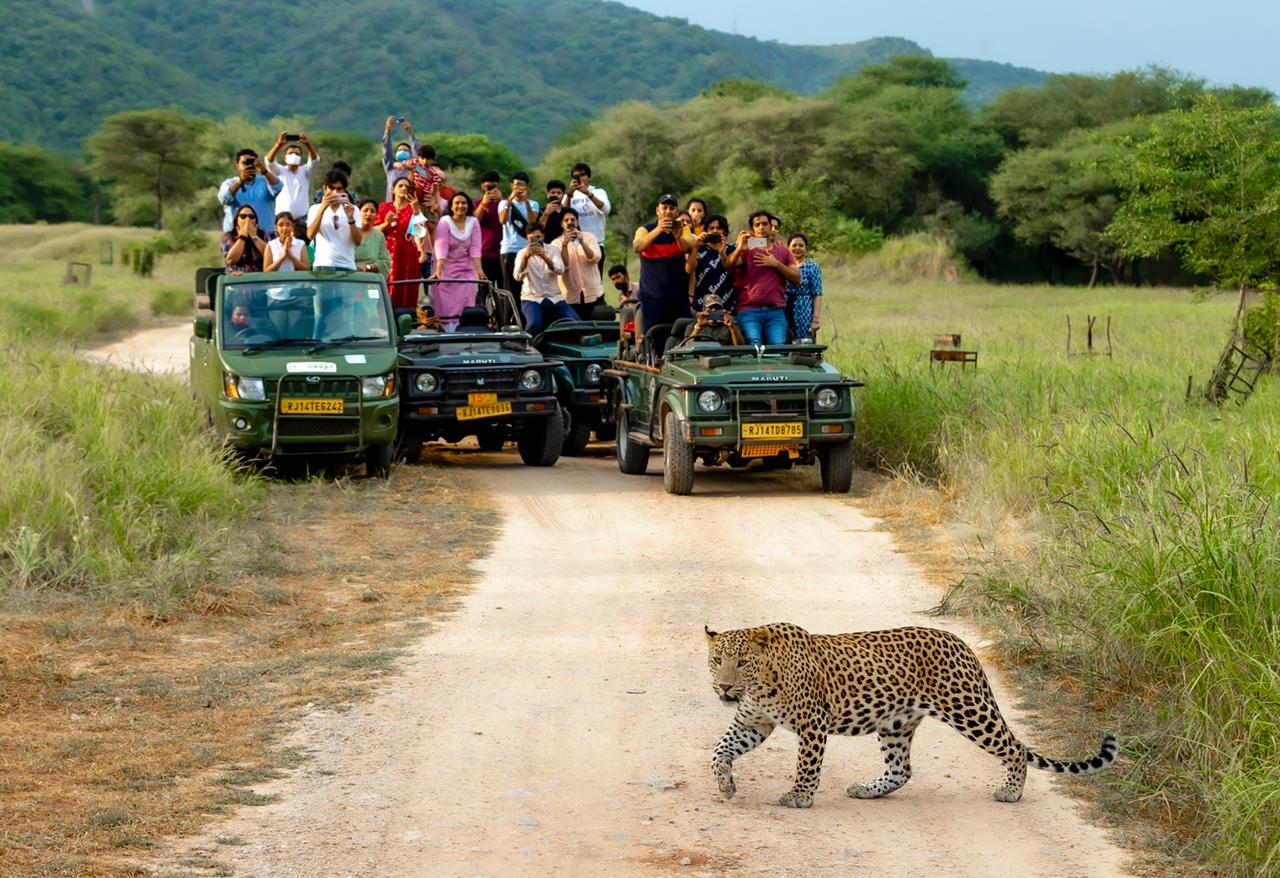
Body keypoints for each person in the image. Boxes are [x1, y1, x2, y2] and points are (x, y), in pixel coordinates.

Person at [727, 210, 799, 345]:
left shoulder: (783, 250)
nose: (761, 227)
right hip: (749, 310)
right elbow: (729, 265)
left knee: (778, 347)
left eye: (765, 223)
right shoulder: (747, 249)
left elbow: (796, 278)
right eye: (757, 224)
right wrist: (739, 247)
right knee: (753, 345)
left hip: (775, 311)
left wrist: (776, 264)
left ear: (771, 226)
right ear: (752, 229)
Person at [633, 193, 695, 333]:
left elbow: (687, 248)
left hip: (678, 296)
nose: (668, 211)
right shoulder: (645, 229)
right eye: (664, 207)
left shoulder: (683, 229)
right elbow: (637, 247)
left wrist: (677, 238)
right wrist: (659, 229)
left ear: (677, 211)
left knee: (681, 336)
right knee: (656, 337)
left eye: (672, 208)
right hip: (653, 296)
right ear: (657, 210)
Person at [430, 192, 484, 332]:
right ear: (451, 206)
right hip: (445, 269)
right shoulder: (445, 222)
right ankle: (448, 333)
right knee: (447, 305)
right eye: (457, 203)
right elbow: (441, 246)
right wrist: (438, 270)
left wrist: (479, 270)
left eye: (464, 203)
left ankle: (465, 332)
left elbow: (475, 247)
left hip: (466, 270)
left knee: (466, 303)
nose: (461, 206)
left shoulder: (474, 222)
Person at [514, 227, 576, 334]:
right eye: (531, 239)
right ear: (527, 240)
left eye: (538, 237)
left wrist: (544, 256)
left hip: (555, 297)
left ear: (543, 236)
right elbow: (517, 277)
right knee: (534, 324)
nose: (535, 241)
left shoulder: (552, 250)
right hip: (532, 297)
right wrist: (525, 258)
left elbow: (560, 270)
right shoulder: (522, 253)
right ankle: (527, 347)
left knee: (575, 322)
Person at [376, 177, 424, 309]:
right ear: (393, 189)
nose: (404, 189)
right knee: (387, 284)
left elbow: (420, 232)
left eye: (407, 187)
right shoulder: (384, 207)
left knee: (407, 286)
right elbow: (374, 230)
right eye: (400, 186)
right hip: (388, 252)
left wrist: (416, 211)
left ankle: (405, 319)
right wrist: (386, 222)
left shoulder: (413, 208)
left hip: (408, 253)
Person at [218, 149, 281, 245]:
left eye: (252, 162)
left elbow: (278, 187)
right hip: (237, 236)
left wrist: (264, 170)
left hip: (266, 235)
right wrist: (240, 181)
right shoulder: (229, 183)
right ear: (238, 166)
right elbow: (225, 198)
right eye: (244, 163)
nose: (249, 166)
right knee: (234, 260)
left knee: (269, 260)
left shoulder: (265, 181)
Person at [306, 169, 366, 270]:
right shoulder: (315, 209)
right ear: (325, 189)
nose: (335, 192)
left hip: (347, 266)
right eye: (331, 188)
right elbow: (310, 235)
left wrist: (350, 218)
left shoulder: (353, 209)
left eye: (339, 189)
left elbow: (358, 241)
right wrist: (322, 209)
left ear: (344, 190)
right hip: (323, 265)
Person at [557, 207, 604, 318]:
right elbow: (564, 266)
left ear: (577, 222)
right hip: (571, 297)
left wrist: (582, 241)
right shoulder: (556, 243)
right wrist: (564, 244)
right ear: (561, 224)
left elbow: (595, 258)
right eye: (566, 220)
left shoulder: (589, 237)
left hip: (594, 294)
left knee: (596, 329)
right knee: (576, 331)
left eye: (573, 220)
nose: (570, 223)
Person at [265, 132, 318, 232]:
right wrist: (278, 144)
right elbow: (269, 161)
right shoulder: (279, 171)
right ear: (285, 158)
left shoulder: (306, 171)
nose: (294, 155)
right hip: (282, 220)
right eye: (290, 153)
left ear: (301, 158)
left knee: (302, 246)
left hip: (302, 221)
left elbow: (314, 161)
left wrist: (308, 145)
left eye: (297, 154)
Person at [499, 172, 540, 294]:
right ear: (512, 185)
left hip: (526, 249)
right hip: (509, 249)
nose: (519, 188)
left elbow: (532, 223)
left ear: (527, 186)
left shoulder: (533, 204)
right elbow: (502, 220)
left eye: (522, 185)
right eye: (516, 185)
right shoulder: (503, 203)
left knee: (527, 284)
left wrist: (526, 201)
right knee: (510, 286)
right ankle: (510, 312)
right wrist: (510, 201)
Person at [564, 163, 610, 272]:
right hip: (574, 244)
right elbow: (562, 214)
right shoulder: (569, 196)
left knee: (595, 283)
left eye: (583, 175)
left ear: (589, 177)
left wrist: (589, 194)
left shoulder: (598, 192)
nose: (580, 178)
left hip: (596, 243)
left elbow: (606, 210)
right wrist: (569, 195)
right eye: (576, 176)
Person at [687, 213, 735, 312]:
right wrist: (695, 247)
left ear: (724, 231)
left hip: (727, 305)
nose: (715, 231)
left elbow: (731, 269)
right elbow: (688, 269)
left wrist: (722, 252)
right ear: (706, 231)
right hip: (701, 305)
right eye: (711, 228)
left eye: (719, 228)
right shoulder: (699, 249)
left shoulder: (732, 249)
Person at [785, 233, 823, 341]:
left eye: (801, 245)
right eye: (794, 245)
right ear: (788, 247)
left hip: (804, 309)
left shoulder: (812, 267)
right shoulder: (783, 265)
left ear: (806, 248)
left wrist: (815, 319)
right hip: (784, 308)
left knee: (804, 344)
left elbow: (817, 294)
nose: (797, 248)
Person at [473, 170, 504, 284]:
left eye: (493, 186)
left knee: (503, 289)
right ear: (482, 187)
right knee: (485, 289)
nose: (490, 190)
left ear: (498, 186)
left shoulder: (505, 203)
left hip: (502, 253)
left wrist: (503, 202)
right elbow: (473, 222)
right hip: (483, 253)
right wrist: (483, 205)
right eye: (487, 187)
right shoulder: (476, 204)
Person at [395, 143, 446, 207]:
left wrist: (437, 203)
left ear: (432, 160)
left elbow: (436, 190)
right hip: (412, 193)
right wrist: (398, 165)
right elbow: (403, 164)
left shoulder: (433, 173)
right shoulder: (414, 162)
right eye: (422, 158)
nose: (424, 161)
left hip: (424, 197)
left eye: (428, 159)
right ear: (418, 157)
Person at [382, 116, 420, 201]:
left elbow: (417, 150)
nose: (402, 151)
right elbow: (386, 149)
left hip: (409, 205)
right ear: (395, 155)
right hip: (391, 205)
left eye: (405, 150)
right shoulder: (390, 168)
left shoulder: (414, 168)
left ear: (410, 155)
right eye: (399, 150)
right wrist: (388, 129)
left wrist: (410, 132)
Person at [353, 198, 391, 275]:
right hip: (350, 276)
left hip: (371, 279)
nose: (369, 214)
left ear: (376, 215)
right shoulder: (350, 231)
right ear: (358, 212)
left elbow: (385, 262)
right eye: (365, 210)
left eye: (372, 211)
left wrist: (367, 268)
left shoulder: (379, 235)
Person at [223, 206, 266, 274]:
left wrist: (254, 237)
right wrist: (242, 237)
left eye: (251, 216)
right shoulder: (229, 236)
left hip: (260, 278)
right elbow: (230, 260)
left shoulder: (263, 234)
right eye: (243, 216)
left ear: (255, 221)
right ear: (237, 220)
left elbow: (270, 256)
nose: (247, 219)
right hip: (237, 278)